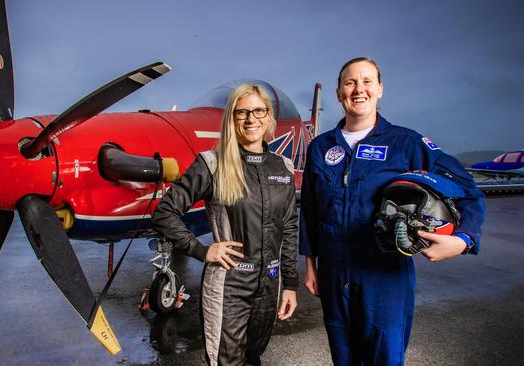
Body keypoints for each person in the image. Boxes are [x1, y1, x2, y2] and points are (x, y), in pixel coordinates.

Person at [299, 57, 485, 365]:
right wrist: (311, 264)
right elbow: (311, 210)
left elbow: (466, 188)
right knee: (343, 357)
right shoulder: (320, 147)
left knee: (384, 356)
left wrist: (463, 239)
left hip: (384, 276)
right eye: (350, 82)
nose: (358, 89)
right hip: (333, 272)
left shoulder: (406, 143)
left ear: (380, 89)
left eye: (367, 81)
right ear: (338, 92)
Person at [152, 83, 299, 365]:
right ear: (231, 119)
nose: (250, 119)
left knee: (253, 358)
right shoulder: (213, 164)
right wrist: (201, 250)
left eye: (258, 111)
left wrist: (290, 284)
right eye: (241, 112)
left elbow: (289, 228)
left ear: (268, 117)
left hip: (269, 284)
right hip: (229, 286)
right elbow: (165, 212)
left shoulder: (284, 167)